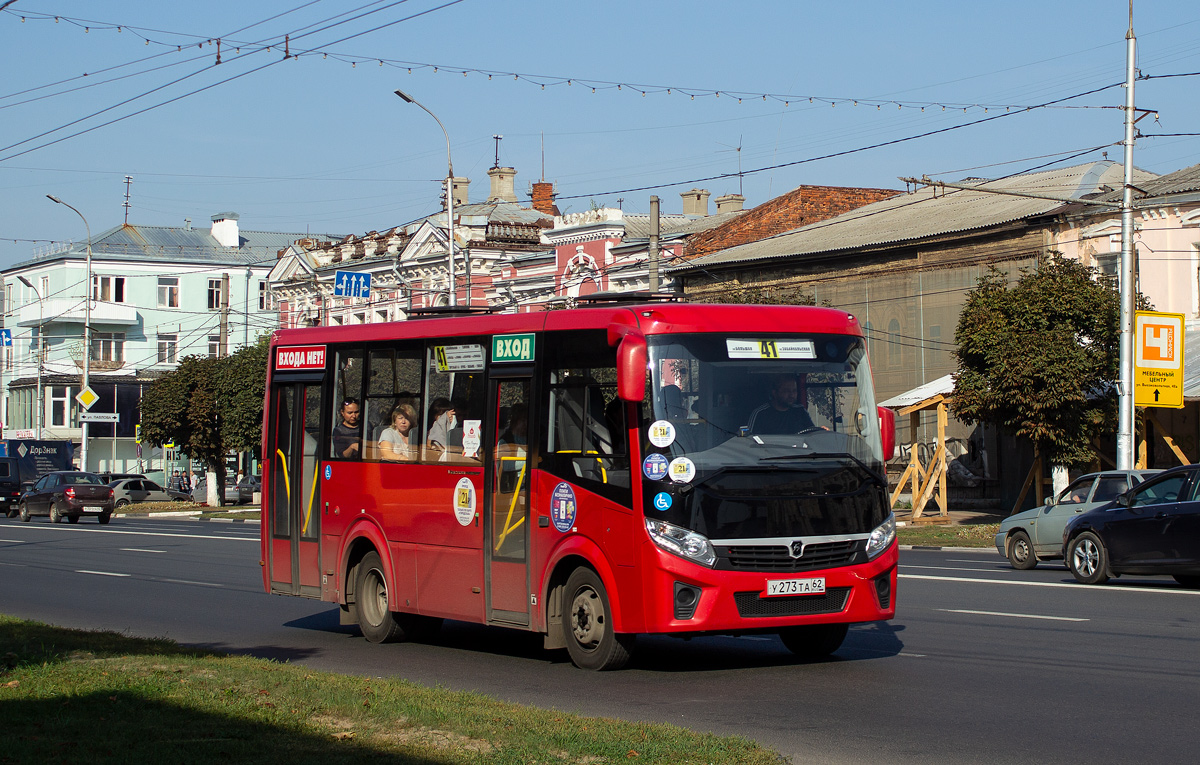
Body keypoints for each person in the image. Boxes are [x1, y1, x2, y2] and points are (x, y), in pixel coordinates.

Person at [748, 374, 815, 435]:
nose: (791, 395)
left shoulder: (800, 411)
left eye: (794, 391)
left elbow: (813, 434)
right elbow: (749, 441)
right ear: (774, 393)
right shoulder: (760, 413)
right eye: (786, 391)